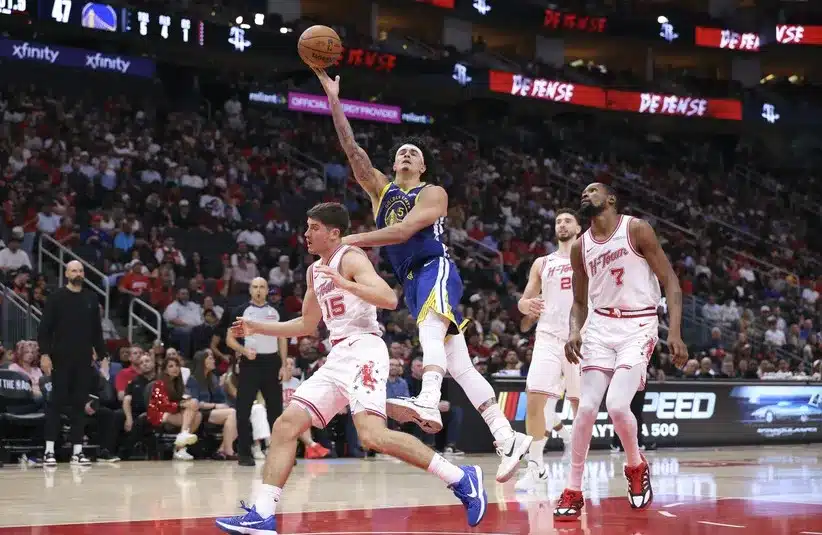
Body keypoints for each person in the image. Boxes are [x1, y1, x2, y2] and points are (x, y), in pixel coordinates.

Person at [215, 203, 487, 534]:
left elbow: (388, 298)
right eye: (306, 226)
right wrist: (258, 329)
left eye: (313, 227)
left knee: (372, 436)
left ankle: (461, 478)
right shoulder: (314, 271)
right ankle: (262, 513)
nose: (306, 233)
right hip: (339, 355)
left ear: (334, 233)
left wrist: (346, 283)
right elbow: (306, 324)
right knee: (286, 425)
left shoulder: (351, 257)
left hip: (365, 349)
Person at [314, 68, 529, 483]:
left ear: (423, 165)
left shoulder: (432, 193)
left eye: (415, 152)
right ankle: (507, 437)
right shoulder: (380, 189)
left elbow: (403, 231)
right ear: (393, 163)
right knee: (462, 368)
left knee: (430, 331)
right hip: (411, 280)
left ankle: (429, 399)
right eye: (402, 152)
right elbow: (352, 149)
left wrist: (353, 238)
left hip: (436, 266)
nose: (408, 155)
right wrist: (333, 98)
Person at [553, 183, 688, 520]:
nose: (585, 194)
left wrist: (674, 331)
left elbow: (670, 280)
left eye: (593, 191)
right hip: (599, 328)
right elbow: (580, 302)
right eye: (582, 192)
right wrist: (574, 332)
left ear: (611, 199)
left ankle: (635, 465)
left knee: (615, 405)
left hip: (638, 325)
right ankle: (573, 489)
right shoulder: (580, 246)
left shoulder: (636, 229)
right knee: (584, 409)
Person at [515, 209, 582, 491]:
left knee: (582, 406)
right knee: (534, 400)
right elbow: (524, 300)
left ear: (579, 228)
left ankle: (577, 469)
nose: (562, 224)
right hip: (547, 337)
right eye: (558, 221)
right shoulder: (543, 263)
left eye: (568, 221)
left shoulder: (589, 258)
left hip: (581, 340)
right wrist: (524, 305)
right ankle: (535, 467)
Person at [38, 260, 108, 466]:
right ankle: (49, 451)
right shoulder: (56, 298)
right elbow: (44, 330)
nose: (78, 273)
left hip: (83, 360)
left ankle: (77, 452)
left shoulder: (91, 298)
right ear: (66, 273)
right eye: (74, 270)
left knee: (80, 404)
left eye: (81, 270)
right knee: (56, 403)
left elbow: (97, 331)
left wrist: (103, 354)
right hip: (60, 359)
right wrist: (44, 354)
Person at [225, 277, 290, 466]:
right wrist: (244, 351)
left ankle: (279, 453)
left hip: (272, 363)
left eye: (262, 287)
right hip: (250, 363)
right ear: (250, 290)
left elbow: (282, 338)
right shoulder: (241, 311)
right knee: (243, 410)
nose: (259, 290)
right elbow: (230, 339)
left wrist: (284, 364)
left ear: (267, 289)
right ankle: (244, 453)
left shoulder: (276, 311)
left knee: (276, 411)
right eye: (255, 287)